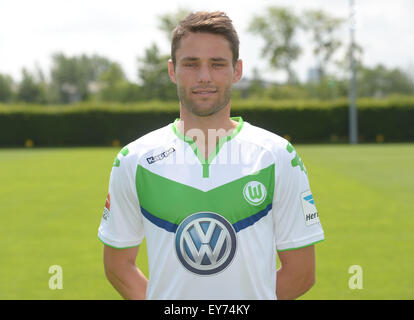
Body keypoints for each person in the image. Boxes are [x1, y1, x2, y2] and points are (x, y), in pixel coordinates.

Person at [98, 11, 324, 300]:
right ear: (172, 70)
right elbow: (118, 266)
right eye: (191, 64)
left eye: (217, 64)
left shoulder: (278, 155)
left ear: (237, 70)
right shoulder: (134, 159)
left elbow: (302, 271)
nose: (204, 77)